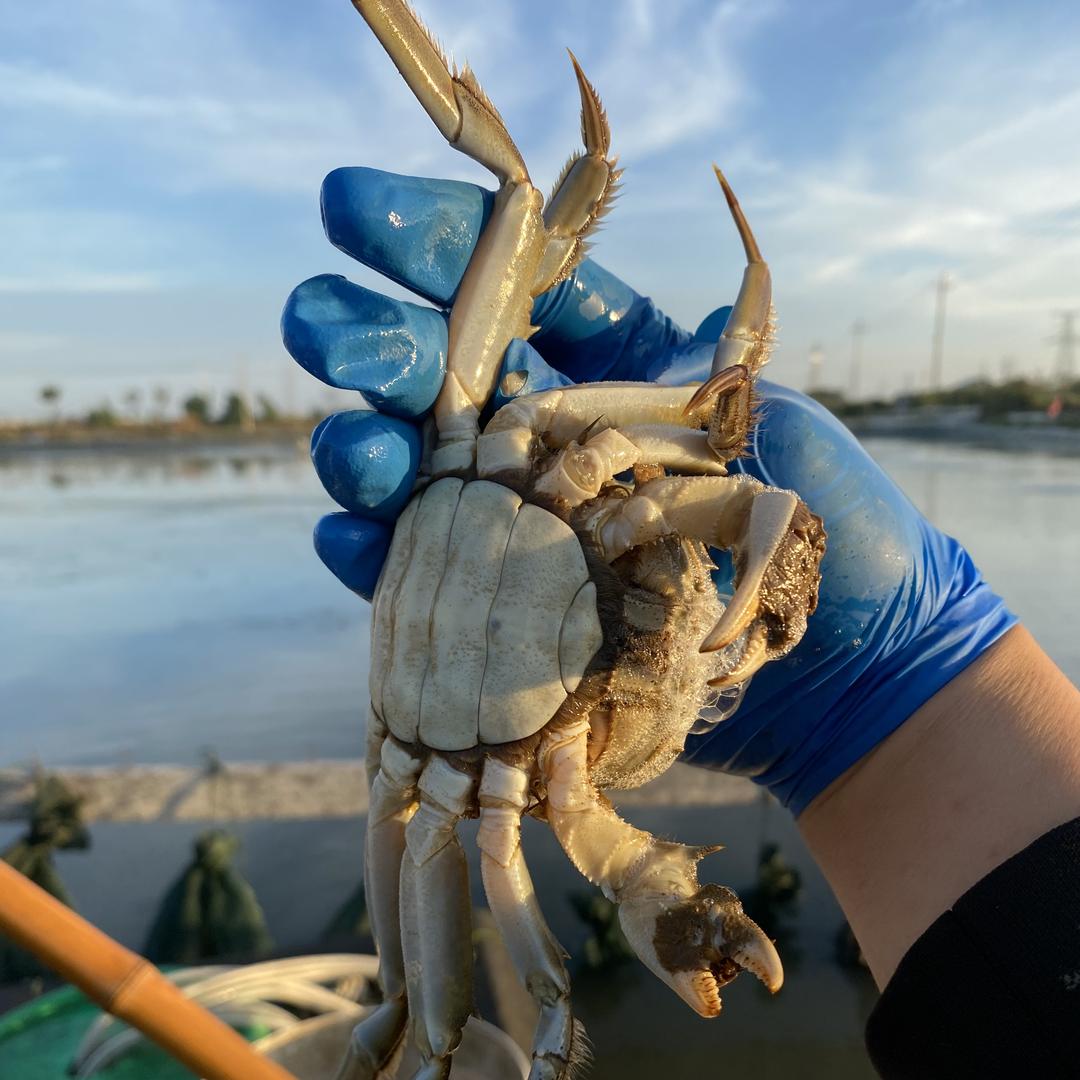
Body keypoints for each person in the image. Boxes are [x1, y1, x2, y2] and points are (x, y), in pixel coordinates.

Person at [282, 166, 1080, 1078]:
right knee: (418, 1022)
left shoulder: (566, 465)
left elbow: (732, 485)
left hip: (482, 553)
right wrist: (908, 712)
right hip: (479, 584)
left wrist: (903, 702)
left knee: (520, 205)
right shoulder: (562, 465)